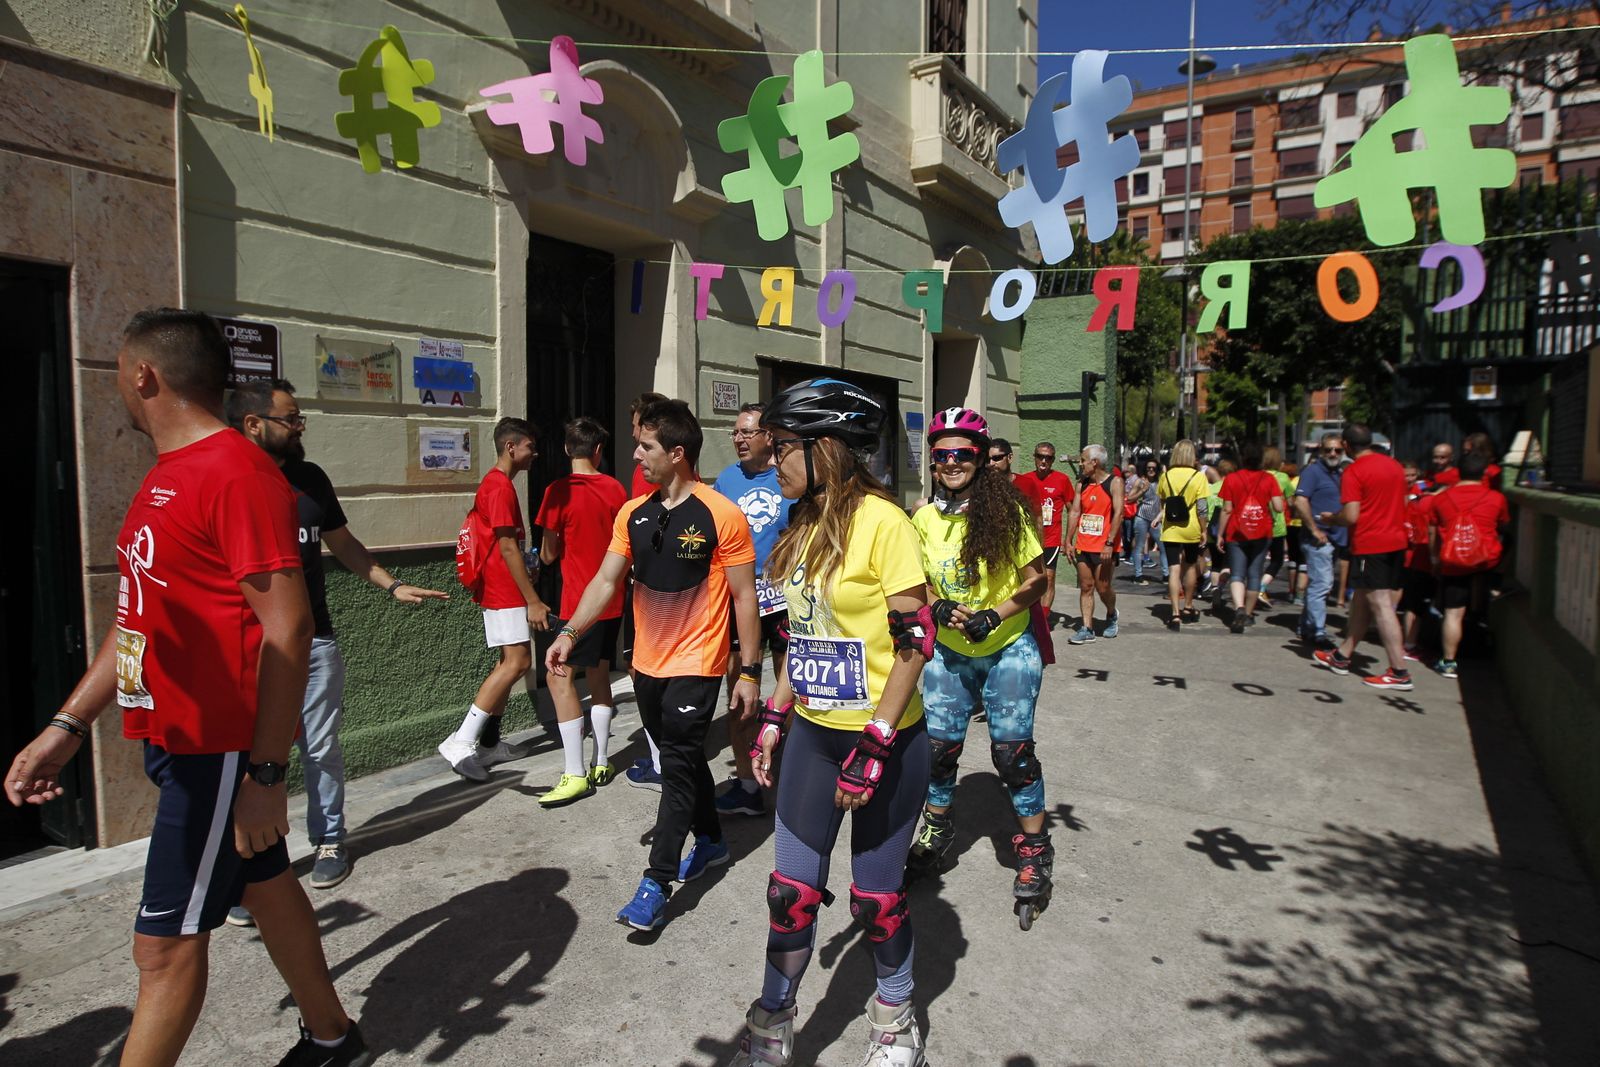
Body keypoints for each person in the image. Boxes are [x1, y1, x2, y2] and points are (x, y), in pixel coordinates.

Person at [4, 309, 369, 1066]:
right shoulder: (167, 474)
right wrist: (67, 725)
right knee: (264, 884)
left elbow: (289, 629)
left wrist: (265, 775)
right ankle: (334, 1036)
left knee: (163, 948)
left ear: (144, 374)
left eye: (117, 370)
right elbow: (136, 618)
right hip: (176, 737)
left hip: (220, 752)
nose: (116, 385)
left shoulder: (237, 473)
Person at [729, 378, 933, 1067]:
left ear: (826, 448)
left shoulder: (886, 523)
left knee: (875, 900)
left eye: (783, 446)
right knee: (789, 894)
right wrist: (776, 715)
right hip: (815, 737)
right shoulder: (802, 524)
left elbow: (915, 641)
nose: (770, 459)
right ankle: (774, 1017)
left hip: (886, 740)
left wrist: (876, 740)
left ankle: (895, 1019)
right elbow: (806, 635)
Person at [225, 378, 448, 910]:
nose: (300, 427)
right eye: (291, 419)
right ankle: (247, 865)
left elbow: (344, 545)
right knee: (242, 757)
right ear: (253, 424)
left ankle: (328, 839)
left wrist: (391, 584)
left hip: (314, 643)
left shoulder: (310, 480)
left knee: (320, 747)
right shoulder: (227, 482)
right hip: (246, 648)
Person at [547, 399, 760, 932]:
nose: (637, 455)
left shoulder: (722, 514)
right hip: (646, 662)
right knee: (681, 760)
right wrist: (570, 632)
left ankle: (656, 881)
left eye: (646, 446)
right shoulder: (632, 512)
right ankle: (711, 840)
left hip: (698, 662)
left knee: (676, 767)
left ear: (677, 453)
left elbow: (744, 598)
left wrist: (750, 672)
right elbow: (605, 580)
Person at [905, 409, 1051, 920]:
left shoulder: (1007, 512)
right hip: (949, 652)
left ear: (981, 459)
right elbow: (917, 581)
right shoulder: (923, 519)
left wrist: (996, 614)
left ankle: (1034, 850)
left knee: (1012, 755)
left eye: (962, 454)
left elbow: (1037, 580)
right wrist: (938, 605)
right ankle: (937, 830)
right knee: (938, 752)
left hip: (1008, 645)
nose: (951, 462)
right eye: (941, 454)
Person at [438, 418, 552, 780]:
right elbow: (507, 547)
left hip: (504, 587)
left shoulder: (498, 484)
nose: (535, 453)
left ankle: (488, 743)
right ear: (511, 447)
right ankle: (462, 740)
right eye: (530, 446)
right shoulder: (499, 486)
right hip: (504, 589)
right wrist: (532, 599)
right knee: (517, 663)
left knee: (509, 661)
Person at [533, 416, 630, 806]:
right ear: (598, 450)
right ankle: (602, 760)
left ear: (566, 449)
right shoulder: (616, 489)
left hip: (577, 604)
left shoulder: (557, 491)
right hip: (613, 599)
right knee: (600, 674)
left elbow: (548, 553)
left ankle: (575, 773)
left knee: (558, 677)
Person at [712, 402, 794, 818]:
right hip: (737, 599)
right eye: (736, 432)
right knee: (739, 690)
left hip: (783, 600)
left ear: (768, 437)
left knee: (791, 689)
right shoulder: (726, 480)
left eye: (747, 432)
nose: (739, 439)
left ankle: (791, 777)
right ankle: (746, 785)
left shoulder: (789, 477)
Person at [1313, 423, 1414, 690]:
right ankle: (1342, 655)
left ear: (1346, 445)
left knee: (1380, 604)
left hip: (1371, 544)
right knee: (1360, 600)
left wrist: (1331, 518)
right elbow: (1404, 502)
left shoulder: (1355, 471)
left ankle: (1399, 671)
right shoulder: (1394, 466)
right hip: (1395, 541)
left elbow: (1351, 515)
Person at [1425, 450, 1510, 679]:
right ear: (1484, 473)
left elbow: (1433, 532)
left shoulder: (1441, 498)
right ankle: (1494, 591)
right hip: (1486, 562)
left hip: (1453, 561)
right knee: (1482, 604)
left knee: (1453, 613)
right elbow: (1503, 525)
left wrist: (1434, 560)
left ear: (1457, 471)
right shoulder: (1496, 498)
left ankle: (1448, 662)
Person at [623, 390, 670, 790]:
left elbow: (644, 528)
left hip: (649, 588)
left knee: (643, 669)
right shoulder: (669, 467)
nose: (634, 434)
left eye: (638, 425)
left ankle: (660, 760)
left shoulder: (649, 472)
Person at [1216, 441, 1286, 634]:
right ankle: (1247, 613)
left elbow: (1227, 509)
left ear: (1243, 458)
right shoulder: (1269, 479)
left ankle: (1238, 607)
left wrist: (1220, 534)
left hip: (1237, 532)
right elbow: (1279, 507)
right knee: (1255, 574)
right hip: (1262, 532)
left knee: (1237, 574)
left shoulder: (1232, 479)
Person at [1064, 444, 1123, 644]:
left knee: (1103, 588)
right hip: (1084, 544)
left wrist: (1109, 543)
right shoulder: (1082, 484)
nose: (1080, 464)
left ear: (1095, 462)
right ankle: (1087, 628)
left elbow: (1119, 514)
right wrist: (1068, 540)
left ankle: (1111, 613)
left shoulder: (1115, 483)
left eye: (1083, 460)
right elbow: (1075, 512)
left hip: (1105, 546)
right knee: (1086, 586)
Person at [1013, 441, 1074, 626]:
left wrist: (1068, 540)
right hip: (1028, 538)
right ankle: (1029, 615)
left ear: (1053, 460)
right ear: (1034, 457)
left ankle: (1043, 620)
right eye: (1040, 456)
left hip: (1051, 538)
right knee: (1028, 579)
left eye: (1048, 458)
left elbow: (1073, 510)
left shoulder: (1062, 480)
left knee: (1048, 578)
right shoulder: (1025, 480)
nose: (1044, 461)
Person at [1294, 433, 1347, 647]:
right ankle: (1318, 631)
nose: (1333, 453)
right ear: (1320, 451)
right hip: (1318, 539)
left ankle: (1306, 627)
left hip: (1335, 538)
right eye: (1328, 450)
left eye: (1337, 450)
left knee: (1318, 583)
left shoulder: (1340, 473)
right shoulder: (1313, 471)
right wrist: (1314, 529)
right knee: (1322, 584)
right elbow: (1300, 501)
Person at [1157, 439, 1209, 630]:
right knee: (1190, 566)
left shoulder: (1166, 476)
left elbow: (1163, 503)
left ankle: (1175, 613)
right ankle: (1188, 606)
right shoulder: (1198, 476)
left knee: (1174, 569)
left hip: (1171, 528)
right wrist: (1204, 529)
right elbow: (1202, 508)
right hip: (1191, 527)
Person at [1397, 459, 1436, 662]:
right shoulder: (1403, 497)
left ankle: (1405, 641)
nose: (1409, 479)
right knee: (1411, 602)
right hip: (1410, 556)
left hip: (1415, 556)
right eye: (1406, 475)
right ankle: (1408, 644)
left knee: (1411, 601)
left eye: (1413, 475)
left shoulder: (1421, 496)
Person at [1257, 446, 1294, 609]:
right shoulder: (1283, 478)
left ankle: (1254, 588)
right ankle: (1261, 587)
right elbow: (1291, 501)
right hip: (1277, 525)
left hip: (1257, 523)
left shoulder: (1257, 476)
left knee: (1257, 560)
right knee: (1277, 560)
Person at [1131, 457, 1166, 585]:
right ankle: (1138, 575)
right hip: (1142, 517)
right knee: (1139, 547)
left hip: (1156, 519)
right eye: (1148, 468)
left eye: (1154, 468)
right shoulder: (1140, 482)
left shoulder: (1161, 482)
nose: (1151, 470)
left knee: (1163, 547)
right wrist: (1142, 491)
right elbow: (1129, 498)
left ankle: (1166, 575)